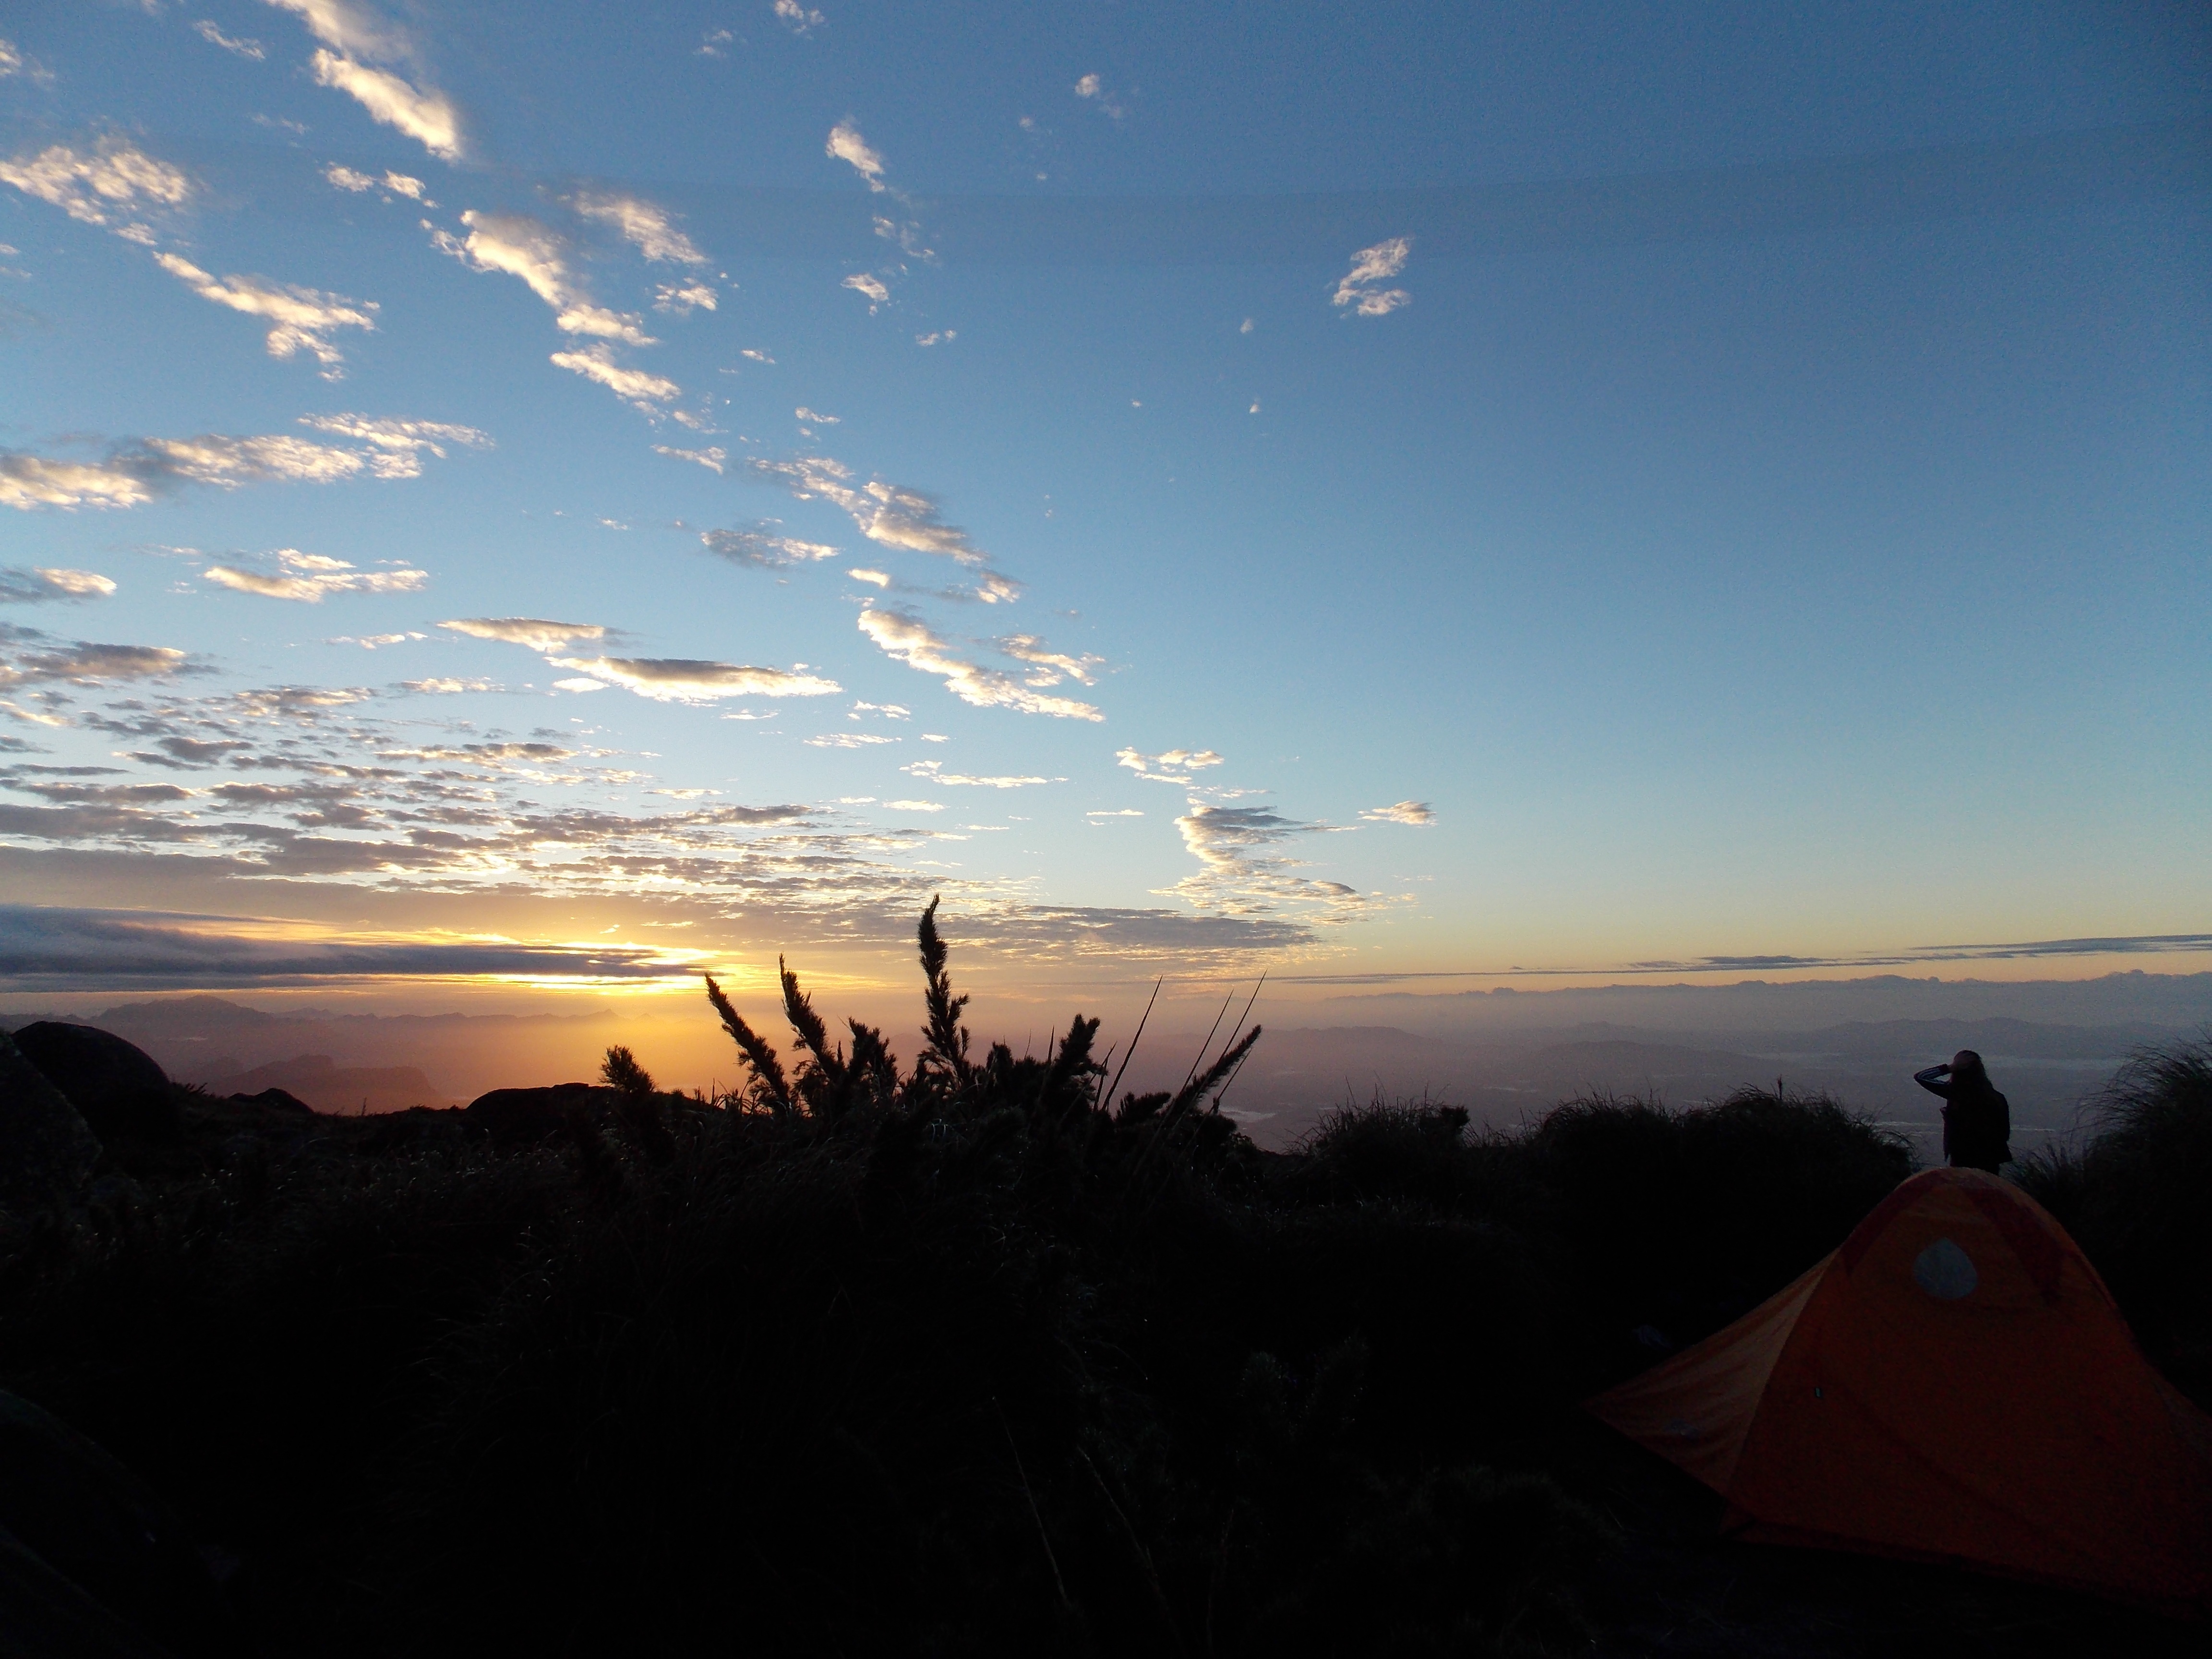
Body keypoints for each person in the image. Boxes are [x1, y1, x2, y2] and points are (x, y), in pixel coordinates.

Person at [1913, 1050, 2012, 1173]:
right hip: (1991, 1158)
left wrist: (1951, 1067)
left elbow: (1921, 1077)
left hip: (1963, 1156)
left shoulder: (1958, 1093)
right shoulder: (1998, 1097)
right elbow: (2005, 1133)